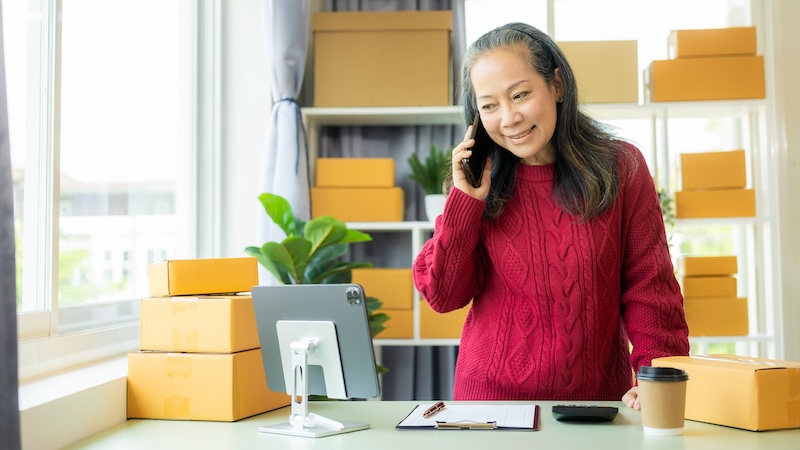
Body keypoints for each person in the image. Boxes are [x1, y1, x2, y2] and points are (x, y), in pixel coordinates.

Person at [412, 22, 690, 409]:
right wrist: (465, 201)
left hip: (597, 406)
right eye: (489, 105)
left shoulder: (621, 167)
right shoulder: (477, 186)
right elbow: (443, 295)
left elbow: (649, 286)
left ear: (556, 85)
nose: (508, 118)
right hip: (489, 406)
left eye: (520, 95)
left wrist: (657, 375)